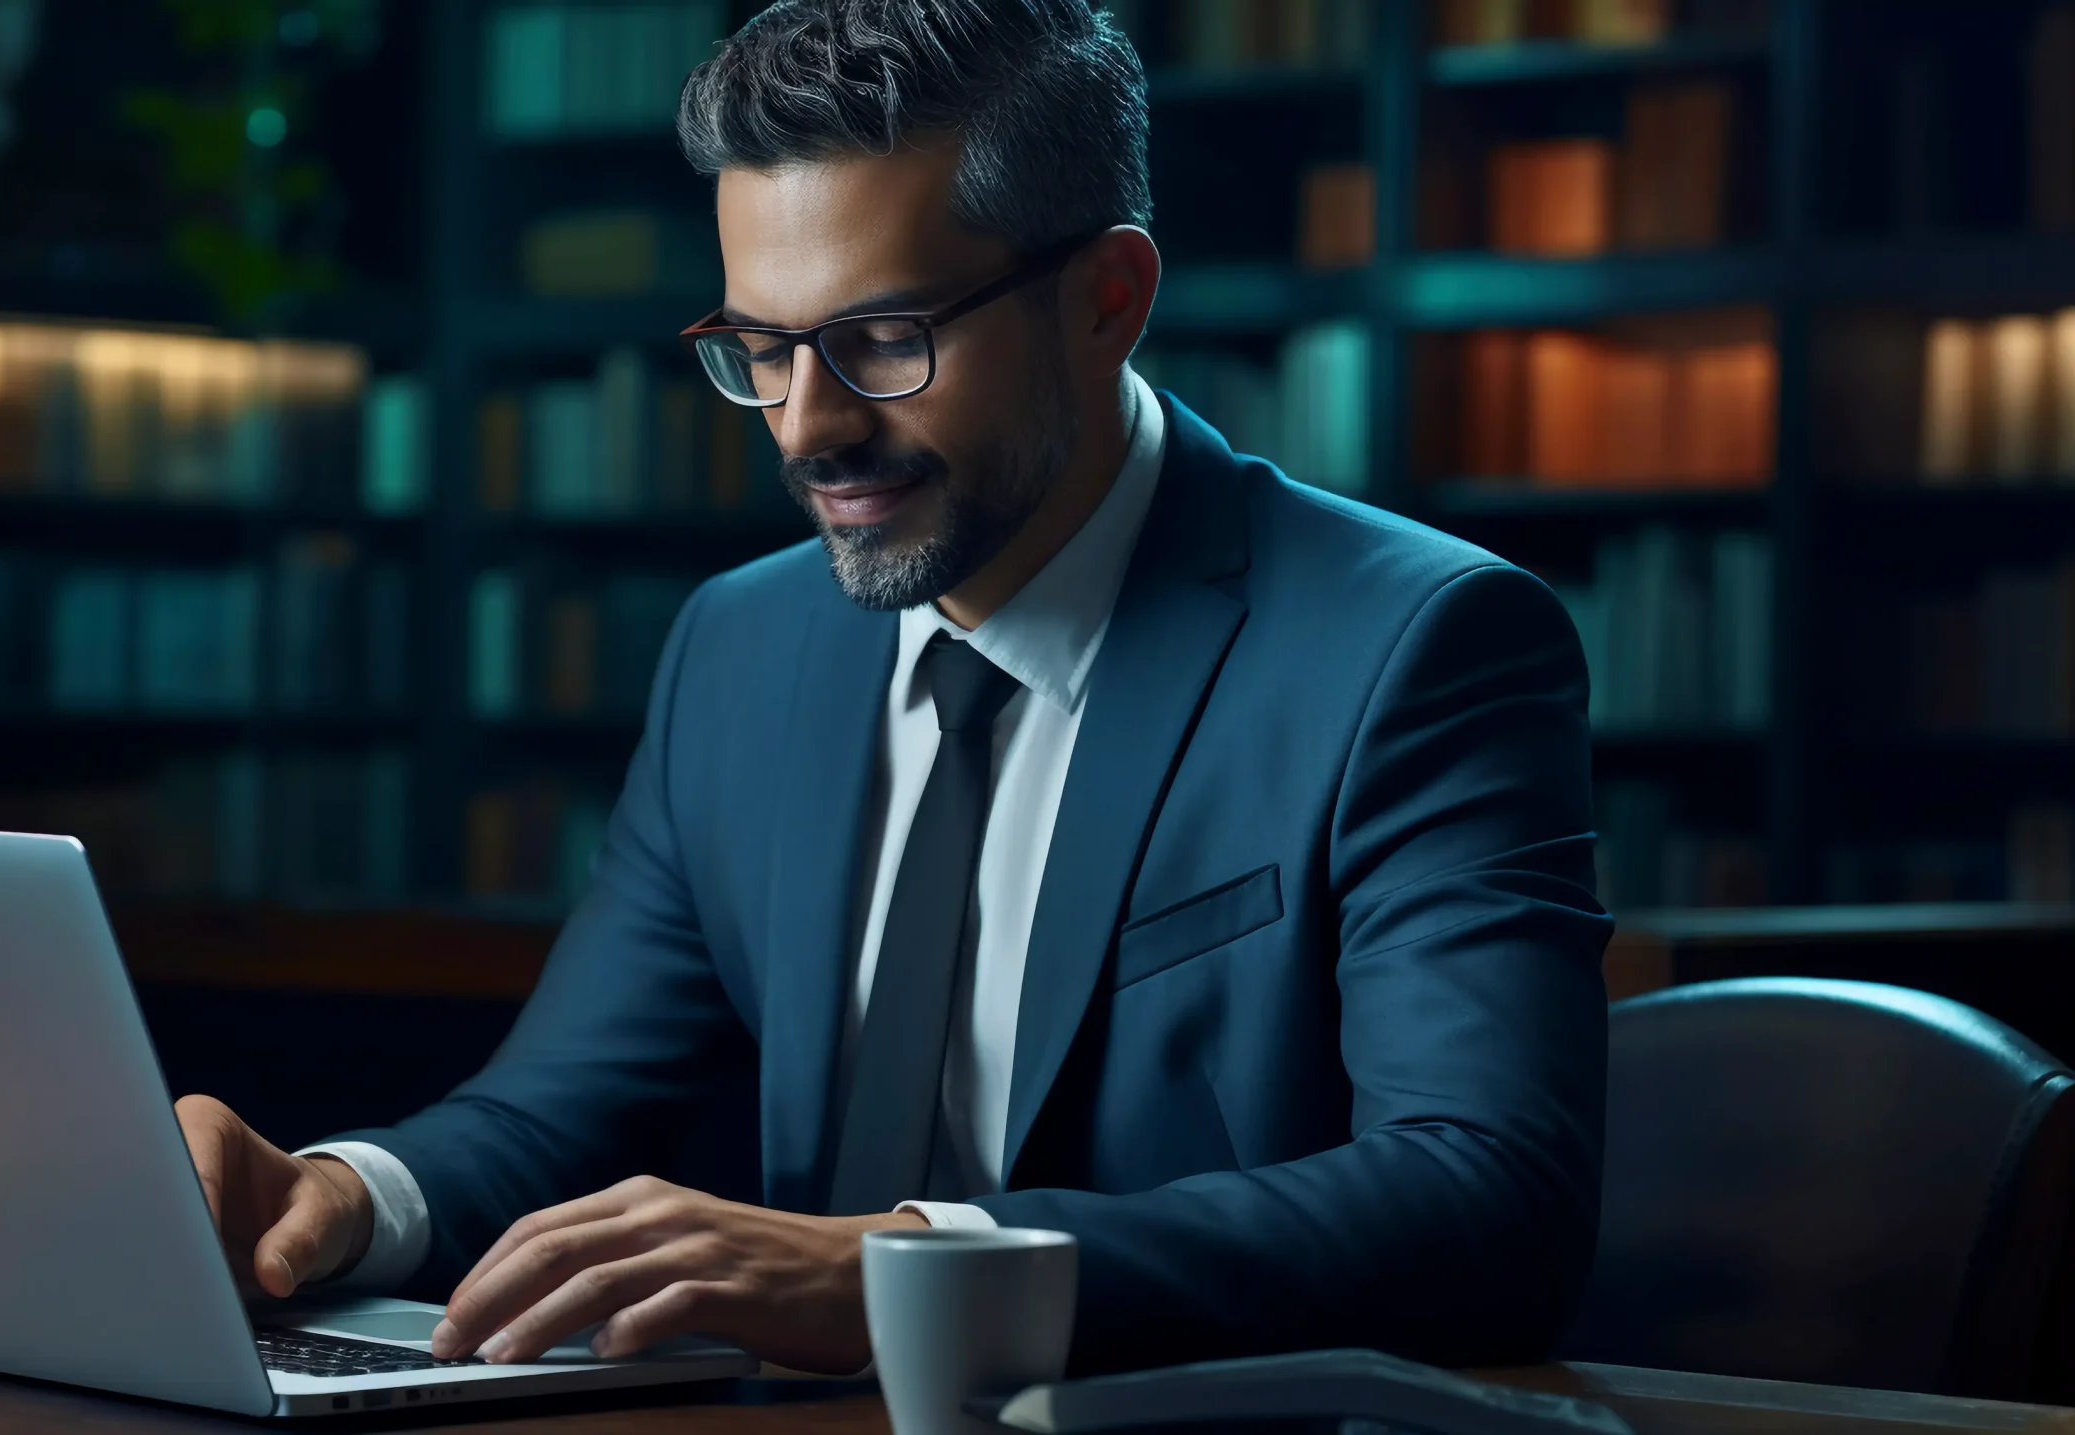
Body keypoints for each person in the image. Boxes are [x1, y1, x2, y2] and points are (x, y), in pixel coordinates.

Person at [174, 0, 1610, 1379]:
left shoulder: (1417, 646)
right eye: (759, 349)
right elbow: (563, 1107)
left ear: (1108, 299)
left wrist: (912, 1266)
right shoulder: (740, 646)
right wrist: (342, 1198)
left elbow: (1487, 1198)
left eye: (883, 339)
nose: (810, 427)